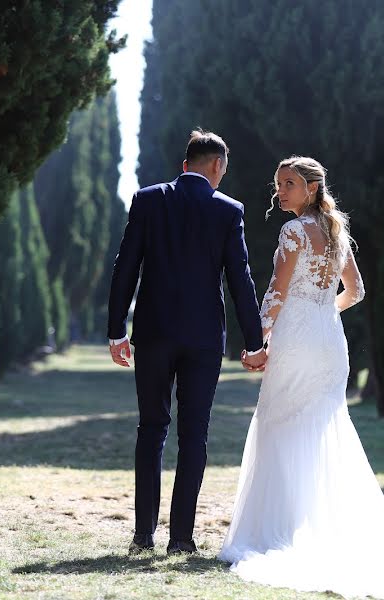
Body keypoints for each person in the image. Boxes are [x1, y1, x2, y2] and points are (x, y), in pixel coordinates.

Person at [219, 156, 384, 599]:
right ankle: (314, 530)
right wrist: (323, 312)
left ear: (311, 188)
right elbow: (357, 290)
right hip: (330, 343)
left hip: (297, 340)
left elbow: (276, 291)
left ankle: (277, 533)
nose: (280, 193)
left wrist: (258, 341)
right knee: (322, 430)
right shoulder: (336, 231)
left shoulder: (294, 231)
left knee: (278, 426)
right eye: (277, 185)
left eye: (288, 184)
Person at [107, 129, 267, 555]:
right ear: (217, 166)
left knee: (151, 429)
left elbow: (126, 268)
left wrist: (116, 330)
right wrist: (254, 342)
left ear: (185, 165)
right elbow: (240, 279)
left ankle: (143, 534)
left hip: (154, 333)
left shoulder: (147, 199)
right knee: (193, 436)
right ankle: (181, 539)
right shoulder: (229, 211)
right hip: (203, 340)